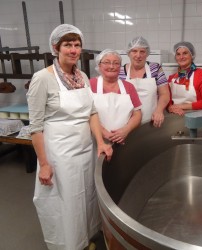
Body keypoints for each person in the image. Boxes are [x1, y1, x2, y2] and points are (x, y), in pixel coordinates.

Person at [26, 24, 113, 250]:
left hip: (85, 150)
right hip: (59, 153)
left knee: (85, 199)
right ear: (56, 48)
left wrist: (101, 143)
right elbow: (35, 127)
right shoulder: (42, 78)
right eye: (68, 45)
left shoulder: (81, 75)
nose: (73, 50)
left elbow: (91, 112)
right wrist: (44, 163)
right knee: (66, 204)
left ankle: (82, 241)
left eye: (77, 45)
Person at [90, 49, 142, 144]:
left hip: (124, 140)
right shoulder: (90, 84)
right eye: (106, 62)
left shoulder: (128, 87)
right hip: (97, 141)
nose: (111, 66)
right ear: (99, 65)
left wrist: (125, 130)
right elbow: (86, 114)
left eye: (116, 63)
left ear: (120, 66)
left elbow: (137, 114)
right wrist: (103, 132)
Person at [118, 36, 170, 127]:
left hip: (152, 121)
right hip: (127, 123)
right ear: (129, 53)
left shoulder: (155, 68)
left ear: (147, 54)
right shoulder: (120, 71)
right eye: (134, 51)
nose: (138, 55)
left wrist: (159, 110)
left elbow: (164, 94)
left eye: (142, 51)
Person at [167, 41, 202, 116]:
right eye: (178, 54)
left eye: (185, 53)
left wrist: (181, 106)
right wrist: (170, 107)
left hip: (196, 116)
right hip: (175, 115)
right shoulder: (171, 78)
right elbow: (167, 100)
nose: (181, 57)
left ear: (191, 55)